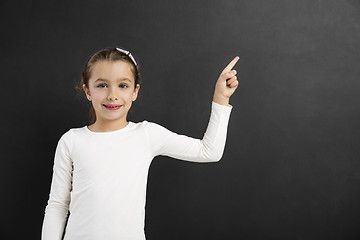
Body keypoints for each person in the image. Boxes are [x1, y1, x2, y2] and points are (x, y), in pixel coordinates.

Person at [41, 47, 240, 240]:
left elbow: (209, 151)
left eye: (123, 85)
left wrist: (221, 98)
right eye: (102, 85)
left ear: (135, 91)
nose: (112, 95)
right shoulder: (72, 140)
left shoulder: (146, 135)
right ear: (87, 91)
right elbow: (58, 205)